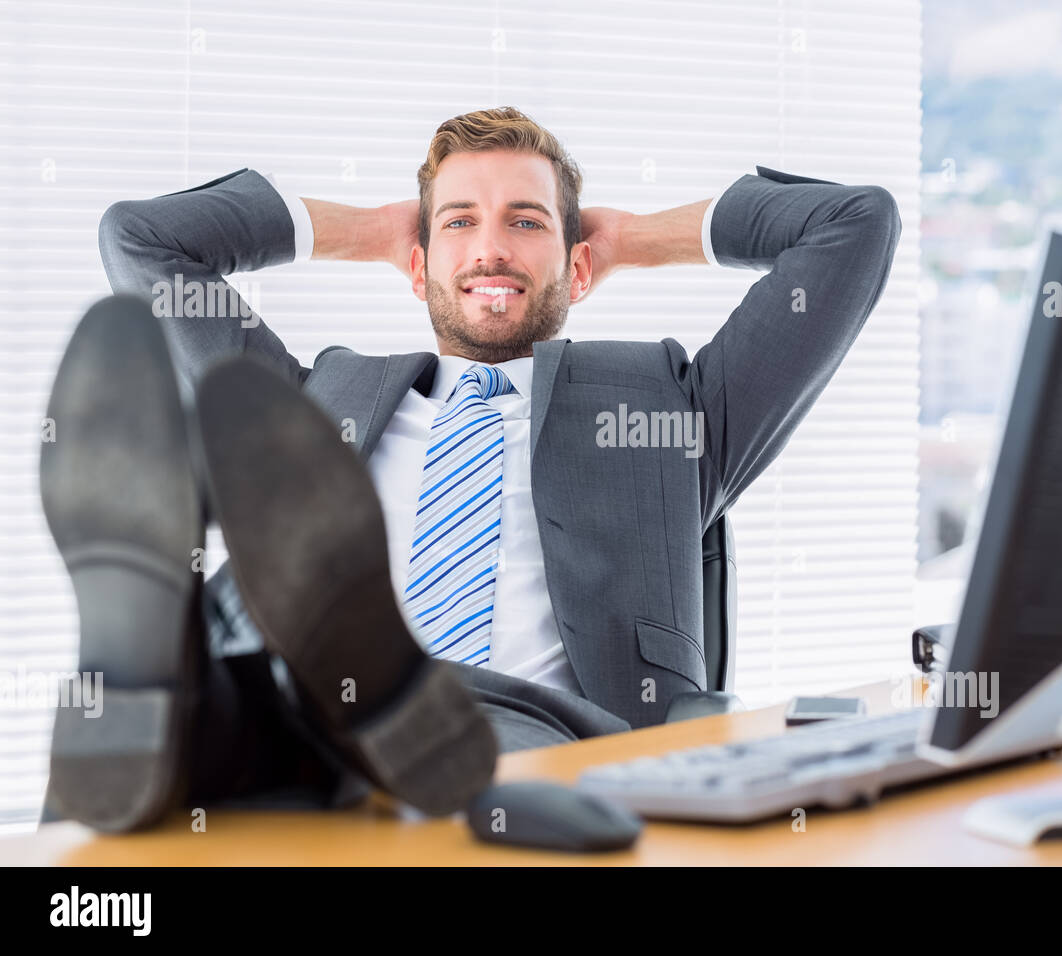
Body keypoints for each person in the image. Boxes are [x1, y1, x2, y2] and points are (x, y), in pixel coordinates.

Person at [40, 106, 902, 832]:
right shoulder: (319, 398)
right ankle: (167, 674)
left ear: (576, 259)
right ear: (418, 264)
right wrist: (369, 231)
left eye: (526, 222)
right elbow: (143, 240)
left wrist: (638, 239)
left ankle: (354, 699)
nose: (491, 249)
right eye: (458, 223)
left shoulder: (674, 406)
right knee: (202, 731)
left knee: (453, 752)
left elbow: (854, 223)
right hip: (308, 718)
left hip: (542, 735)